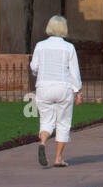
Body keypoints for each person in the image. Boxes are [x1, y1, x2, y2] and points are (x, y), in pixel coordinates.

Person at [30, 15, 82, 168]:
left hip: (44, 87)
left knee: (46, 120)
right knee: (63, 123)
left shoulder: (40, 45)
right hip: (63, 87)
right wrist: (78, 91)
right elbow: (74, 72)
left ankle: (43, 142)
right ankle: (58, 157)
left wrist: (39, 73)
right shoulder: (68, 47)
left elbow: (34, 67)